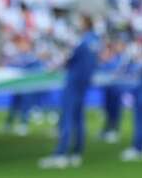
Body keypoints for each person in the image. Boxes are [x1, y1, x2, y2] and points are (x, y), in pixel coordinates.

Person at [38, 15, 99, 169]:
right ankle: (77, 152)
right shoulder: (94, 40)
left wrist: (54, 66)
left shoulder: (83, 40)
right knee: (78, 118)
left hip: (73, 82)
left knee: (67, 118)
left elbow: (68, 58)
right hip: (83, 83)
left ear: (86, 22)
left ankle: (61, 154)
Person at [99, 39, 128, 143]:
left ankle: (115, 131)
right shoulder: (113, 57)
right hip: (108, 88)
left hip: (116, 88)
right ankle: (107, 130)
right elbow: (103, 69)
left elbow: (118, 71)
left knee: (115, 110)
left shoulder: (123, 58)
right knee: (107, 110)